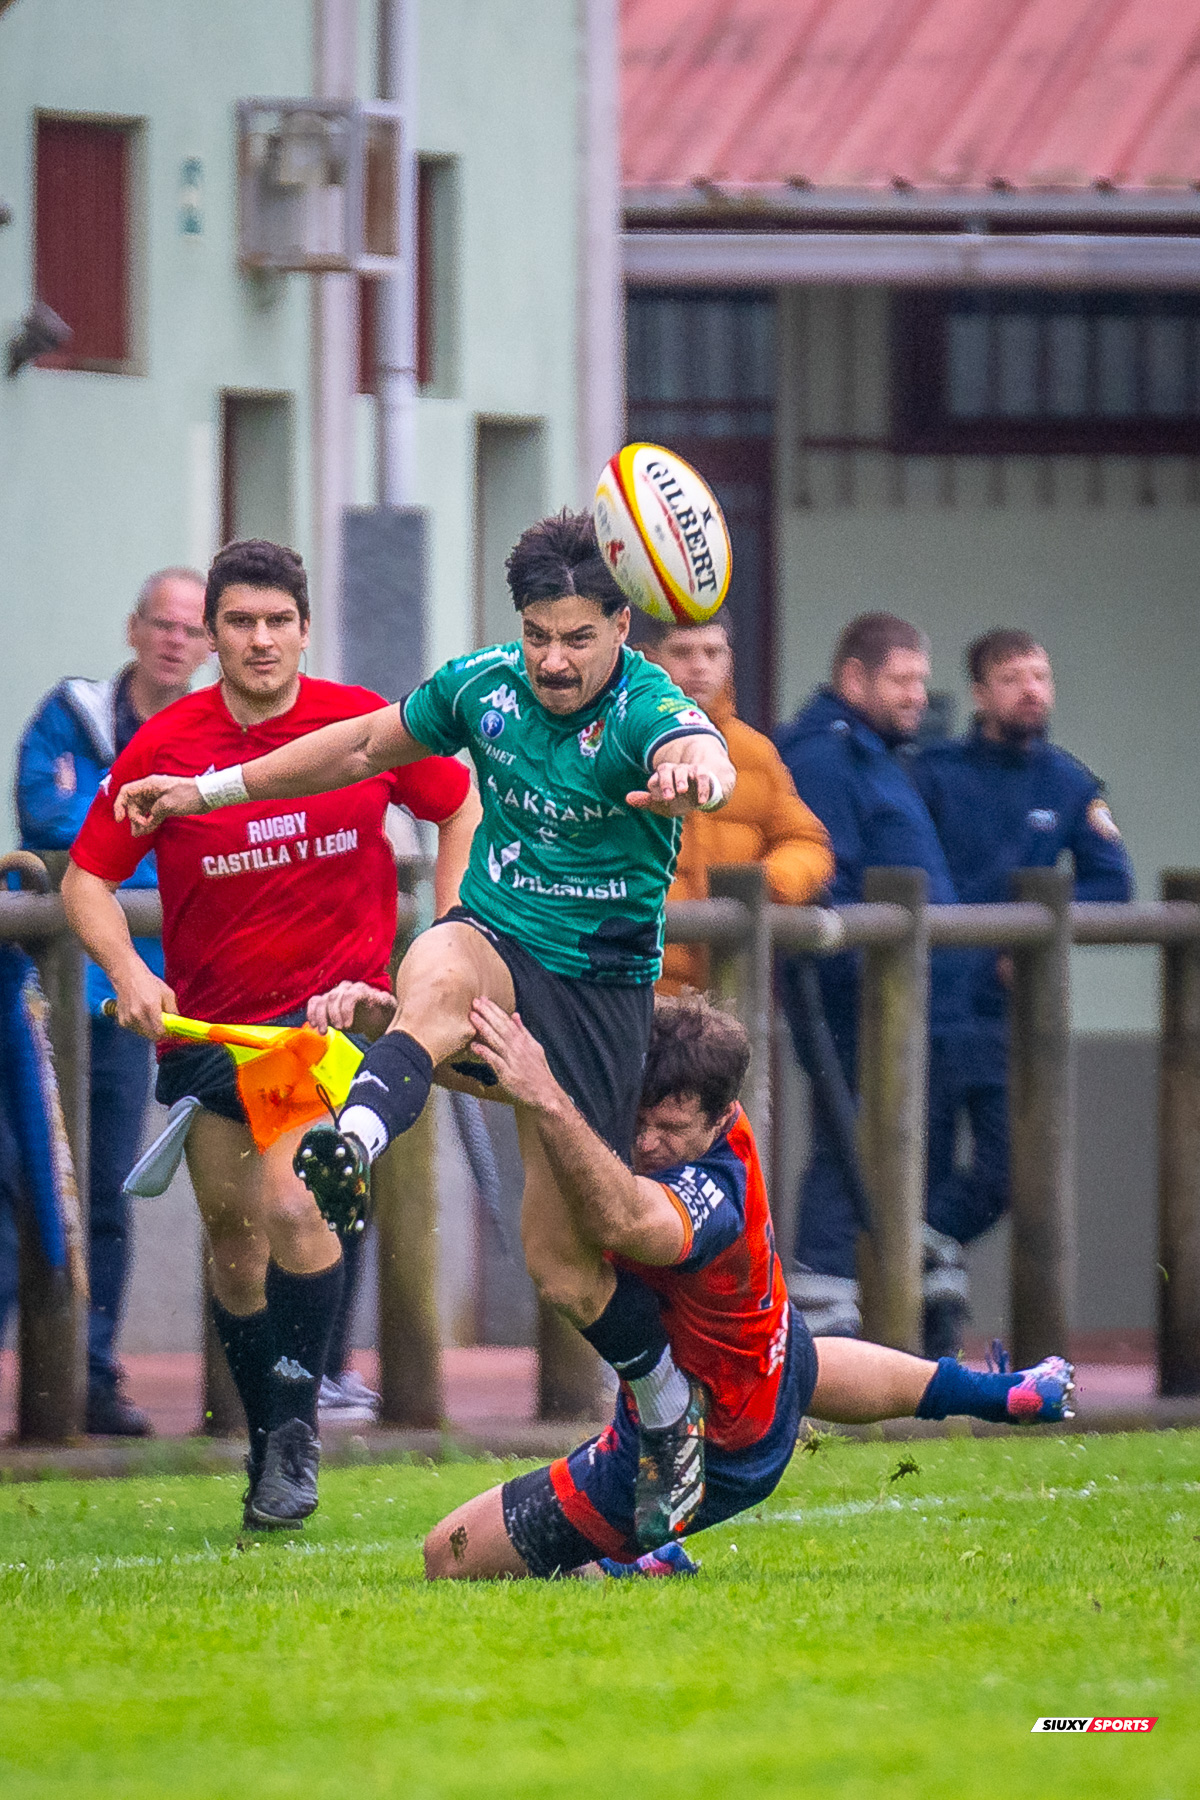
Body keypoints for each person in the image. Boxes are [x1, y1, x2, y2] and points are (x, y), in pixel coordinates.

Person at [110, 509, 738, 1539]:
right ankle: (354, 1137)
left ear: (622, 629)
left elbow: (697, 751)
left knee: (569, 1262)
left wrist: (689, 776)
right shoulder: (480, 687)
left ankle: (667, 1398)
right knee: (438, 961)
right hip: (491, 945)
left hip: (598, 989)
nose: (553, 658)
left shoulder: (645, 706)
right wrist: (208, 790)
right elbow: (356, 745)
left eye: (577, 637)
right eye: (538, 633)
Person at [62, 538, 479, 1526]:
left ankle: (295, 1439)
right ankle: (270, 1442)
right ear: (210, 636)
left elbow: (458, 806)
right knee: (236, 1251)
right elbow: (86, 878)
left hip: (324, 1028)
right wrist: (129, 969)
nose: (260, 640)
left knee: (295, 1209)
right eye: (240, 622)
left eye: (278, 622)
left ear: (304, 629)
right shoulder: (166, 747)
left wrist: (450, 935)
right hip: (212, 1028)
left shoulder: (358, 726)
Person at [421, 992, 1074, 1580]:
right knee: (801, 1360)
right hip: (768, 1365)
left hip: (703, 1449)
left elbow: (617, 1215)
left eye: (671, 1132)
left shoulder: (710, 1194)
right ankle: (1006, 1393)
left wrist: (549, 1096)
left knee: (447, 1552)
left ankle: (640, 1553)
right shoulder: (673, 1109)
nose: (647, 1143)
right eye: (640, 1119)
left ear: (721, 1116)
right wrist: (403, 1045)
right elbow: (510, 1078)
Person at [15, 566, 211, 1434]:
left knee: (106, 1196)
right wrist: (142, 835)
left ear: (205, 648)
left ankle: (89, 1377)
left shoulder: (212, 743)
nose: (175, 639)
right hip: (42, 998)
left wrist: (117, 843)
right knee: (17, 1183)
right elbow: (45, 820)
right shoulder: (75, 713)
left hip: (139, 1002)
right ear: (134, 630)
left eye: (190, 629)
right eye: (162, 624)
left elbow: (193, 849)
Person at [911, 630, 1134, 1349]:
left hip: (1010, 1021)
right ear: (980, 694)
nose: (1032, 690)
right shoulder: (931, 772)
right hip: (925, 1008)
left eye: (1040, 675)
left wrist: (1031, 942)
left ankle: (925, 1244)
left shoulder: (1069, 783)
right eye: (1012, 678)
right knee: (921, 1163)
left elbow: (1112, 884)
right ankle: (929, 1334)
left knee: (1009, 1171)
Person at [774, 613, 967, 1348]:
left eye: (921, 680)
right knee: (845, 1148)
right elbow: (829, 876)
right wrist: (864, 979)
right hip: (858, 1002)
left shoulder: (883, 755)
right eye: (901, 680)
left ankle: (905, 1288)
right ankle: (823, 1331)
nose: (917, 695)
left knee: (890, 1152)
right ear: (854, 679)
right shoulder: (829, 756)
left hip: (914, 1004)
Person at [638, 613, 834, 993]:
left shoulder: (755, 753)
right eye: (682, 652)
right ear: (648, 657)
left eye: (713, 652)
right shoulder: (614, 743)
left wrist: (768, 884)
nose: (700, 667)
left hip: (730, 993)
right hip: (636, 989)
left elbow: (807, 843)